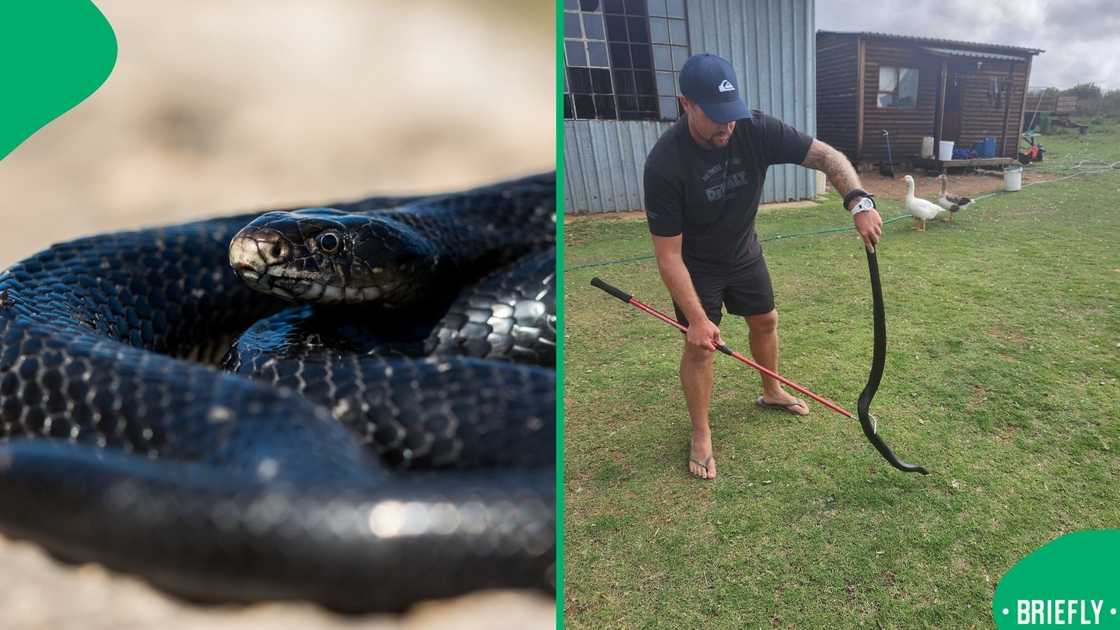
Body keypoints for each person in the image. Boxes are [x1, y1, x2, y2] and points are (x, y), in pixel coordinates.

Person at [643, 53, 882, 480]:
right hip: (695, 264)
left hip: (743, 250)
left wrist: (858, 200)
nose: (727, 126)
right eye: (716, 117)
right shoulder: (665, 163)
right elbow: (669, 256)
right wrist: (697, 319)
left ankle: (771, 390)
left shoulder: (755, 128)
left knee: (766, 320)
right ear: (686, 104)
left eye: (731, 114)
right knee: (700, 347)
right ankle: (700, 432)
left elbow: (828, 157)